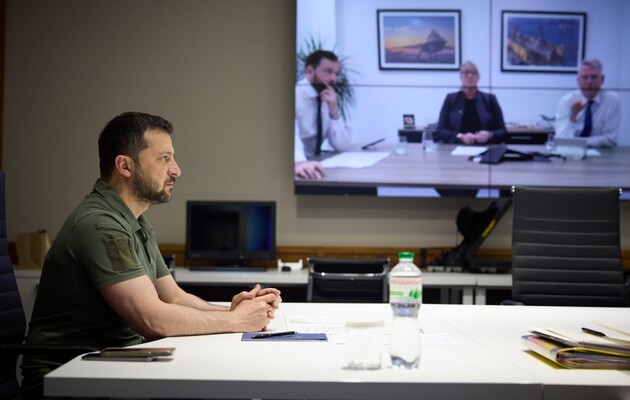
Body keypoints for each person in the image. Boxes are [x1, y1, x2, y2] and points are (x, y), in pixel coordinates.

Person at [20, 112, 282, 399]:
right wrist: (237, 322)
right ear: (125, 165)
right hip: (72, 377)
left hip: (112, 363)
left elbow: (173, 297)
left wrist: (233, 313)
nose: (176, 170)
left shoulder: (134, 221)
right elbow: (151, 319)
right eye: (164, 158)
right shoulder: (103, 226)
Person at [294, 50, 351, 180]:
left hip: (316, 163)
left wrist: (334, 110)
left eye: (336, 73)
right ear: (310, 71)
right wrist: (299, 162)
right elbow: (292, 137)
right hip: (296, 166)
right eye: (328, 72)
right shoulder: (295, 95)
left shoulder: (327, 96)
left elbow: (341, 145)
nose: (333, 79)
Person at [435, 61, 507, 145]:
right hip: (456, 147)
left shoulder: (490, 99)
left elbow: (503, 131)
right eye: (466, 73)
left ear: (478, 78)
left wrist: (489, 135)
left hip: (485, 147)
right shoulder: (450, 99)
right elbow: (440, 131)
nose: (470, 76)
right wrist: (460, 137)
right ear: (460, 77)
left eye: (473, 73)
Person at [554, 58, 621, 147]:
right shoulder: (566, 101)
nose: (589, 82)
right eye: (585, 77)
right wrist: (572, 118)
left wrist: (579, 142)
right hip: (571, 151)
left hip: (602, 152)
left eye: (594, 77)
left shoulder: (611, 100)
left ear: (602, 79)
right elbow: (561, 139)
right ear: (578, 81)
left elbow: (610, 139)